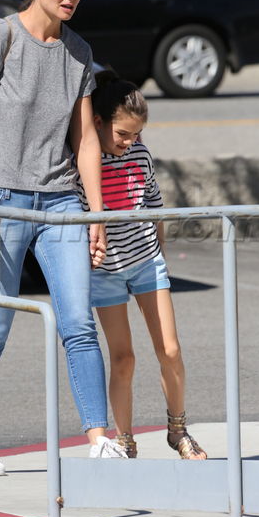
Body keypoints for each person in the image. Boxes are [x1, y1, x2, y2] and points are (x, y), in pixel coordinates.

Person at [0, 0, 128, 476]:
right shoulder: (0, 36)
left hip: (61, 204)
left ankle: (99, 438)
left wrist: (96, 215)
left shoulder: (79, 52)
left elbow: (86, 143)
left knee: (79, 323)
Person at [77, 70, 207, 460]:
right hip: (105, 273)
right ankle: (125, 441)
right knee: (123, 358)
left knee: (170, 349)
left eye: (137, 134)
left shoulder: (140, 154)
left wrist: (159, 257)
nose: (130, 142)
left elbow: (154, 206)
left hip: (146, 262)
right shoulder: (83, 162)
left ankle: (178, 430)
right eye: (123, 134)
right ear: (98, 122)